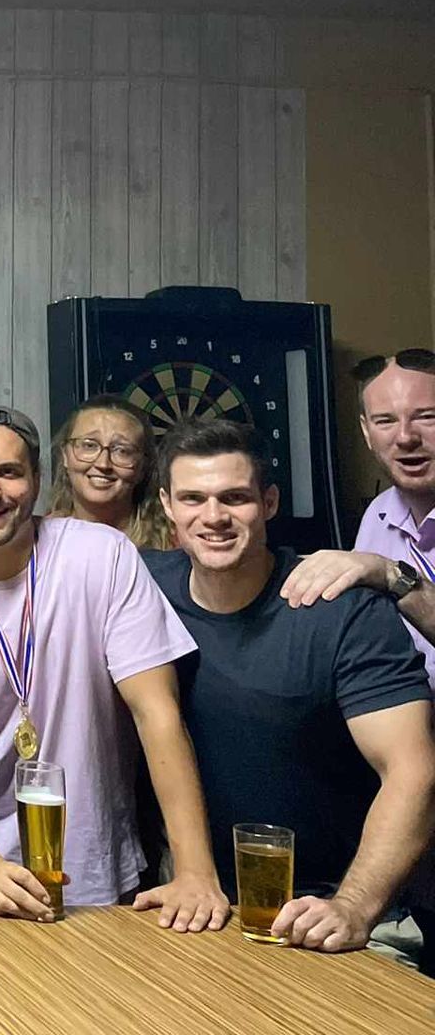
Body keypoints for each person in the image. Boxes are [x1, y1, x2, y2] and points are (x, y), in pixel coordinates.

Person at [0, 405, 228, 929]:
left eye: (9, 471)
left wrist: (196, 870)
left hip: (101, 861)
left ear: (38, 479)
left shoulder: (103, 556)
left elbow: (157, 712)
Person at [145, 418, 435, 955]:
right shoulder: (140, 587)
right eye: (193, 498)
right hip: (202, 905)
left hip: (338, 913)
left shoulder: (342, 608)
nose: (213, 517)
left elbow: (414, 770)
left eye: (235, 497)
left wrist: (354, 906)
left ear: (270, 502)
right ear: (167, 506)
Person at [281, 350, 435, 682]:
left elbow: (384, 576)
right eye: (386, 421)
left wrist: (390, 575)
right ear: (366, 431)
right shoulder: (378, 513)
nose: (406, 437)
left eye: (426, 416)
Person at [45, 396, 174, 552]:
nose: (103, 464)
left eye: (122, 451)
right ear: (65, 455)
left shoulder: (176, 544)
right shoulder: (40, 541)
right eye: (89, 445)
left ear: (143, 466)